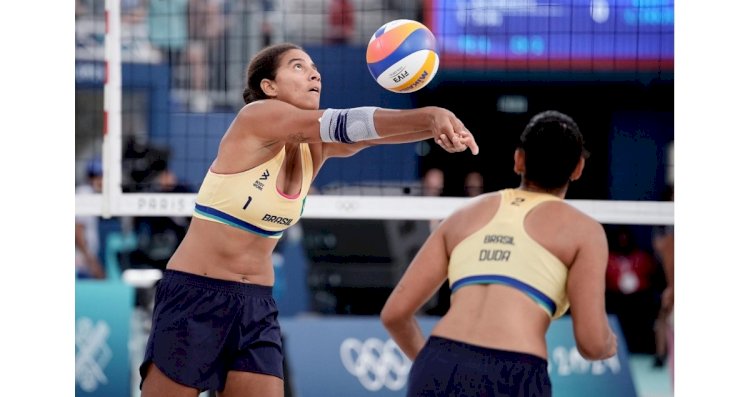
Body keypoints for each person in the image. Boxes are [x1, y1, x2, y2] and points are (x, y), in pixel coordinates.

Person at [139, 42, 478, 397]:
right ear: (269, 87)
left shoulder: (316, 147)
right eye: (298, 67)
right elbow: (345, 123)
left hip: (255, 304)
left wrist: (440, 128)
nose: (315, 73)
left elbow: (373, 132)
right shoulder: (256, 117)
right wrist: (429, 114)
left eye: (315, 67)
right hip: (196, 295)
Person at [380, 110, 616, 397]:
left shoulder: (464, 215)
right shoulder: (585, 230)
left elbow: (394, 314)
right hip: (513, 369)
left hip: (438, 363)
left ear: (518, 160)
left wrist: (432, 367)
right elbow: (591, 344)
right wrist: (608, 344)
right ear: (578, 168)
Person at [604, 224, 661, 355]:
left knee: (643, 319)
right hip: (617, 300)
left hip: (639, 300)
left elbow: (653, 278)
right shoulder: (608, 258)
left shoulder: (642, 257)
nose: (623, 240)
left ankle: (646, 349)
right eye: (620, 238)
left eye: (626, 238)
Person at [75, 158, 106, 280]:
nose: (102, 181)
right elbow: (78, 231)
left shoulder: (90, 193)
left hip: (84, 259)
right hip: (80, 261)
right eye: (98, 177)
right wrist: (92, 262)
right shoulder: (85, 194)